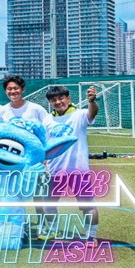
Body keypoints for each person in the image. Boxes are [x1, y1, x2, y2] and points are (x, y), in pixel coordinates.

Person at [42, 85, 99, 240]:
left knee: (87, 205)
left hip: (78, 170)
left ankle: (91, 237)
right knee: (49, 203)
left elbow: (92, 112)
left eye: (61, 98)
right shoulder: (47, 120)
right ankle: (52, 230)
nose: (58, 102)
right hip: (54, 170)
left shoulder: (79, 114)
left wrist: (92, 101)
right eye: (53, 100)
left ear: (68, 98)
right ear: (50, 103)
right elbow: (46, 144)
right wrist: (44, 164)